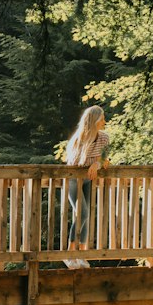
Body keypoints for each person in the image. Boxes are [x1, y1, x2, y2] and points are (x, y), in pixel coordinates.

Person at [63, 104, 109, 268]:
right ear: (95, 120)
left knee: (86, 215)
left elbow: (105, 160)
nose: (104, 122)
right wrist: (94, 162)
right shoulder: (79, 138)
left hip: (89, 180)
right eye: (102, 119)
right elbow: (74, 163)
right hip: (74, 179)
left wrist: (97, 163)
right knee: (82, 214)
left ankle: (81, 255)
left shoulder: (104, 138)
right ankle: (70, 254)